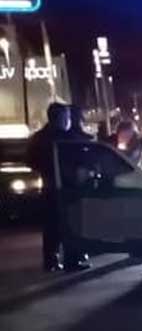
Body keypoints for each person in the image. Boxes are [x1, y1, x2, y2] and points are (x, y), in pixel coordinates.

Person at [28, 104, 89, 272]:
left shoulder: (38, 137)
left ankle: (51, 261)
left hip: (49, 187)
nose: (68, 120)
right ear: (61, 118)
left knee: (51, 226)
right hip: (68, 188)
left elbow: (30, 161)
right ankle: (72, 260)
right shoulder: (69, 138)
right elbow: (85, 157)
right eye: (67, 117)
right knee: (71, 225)